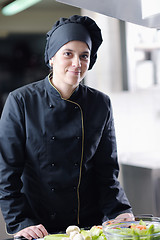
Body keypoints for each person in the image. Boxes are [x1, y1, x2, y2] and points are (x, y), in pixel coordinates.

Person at [0, 15, 133, 240]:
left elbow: (106, 170)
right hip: (37, 227)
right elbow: (6, 174)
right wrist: (19, 221)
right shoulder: (21, 101)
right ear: (52, 58)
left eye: (84, 56)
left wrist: (119, 211)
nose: (76, 63)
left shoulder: (100, 103)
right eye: (68, 54)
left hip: (89, 227)